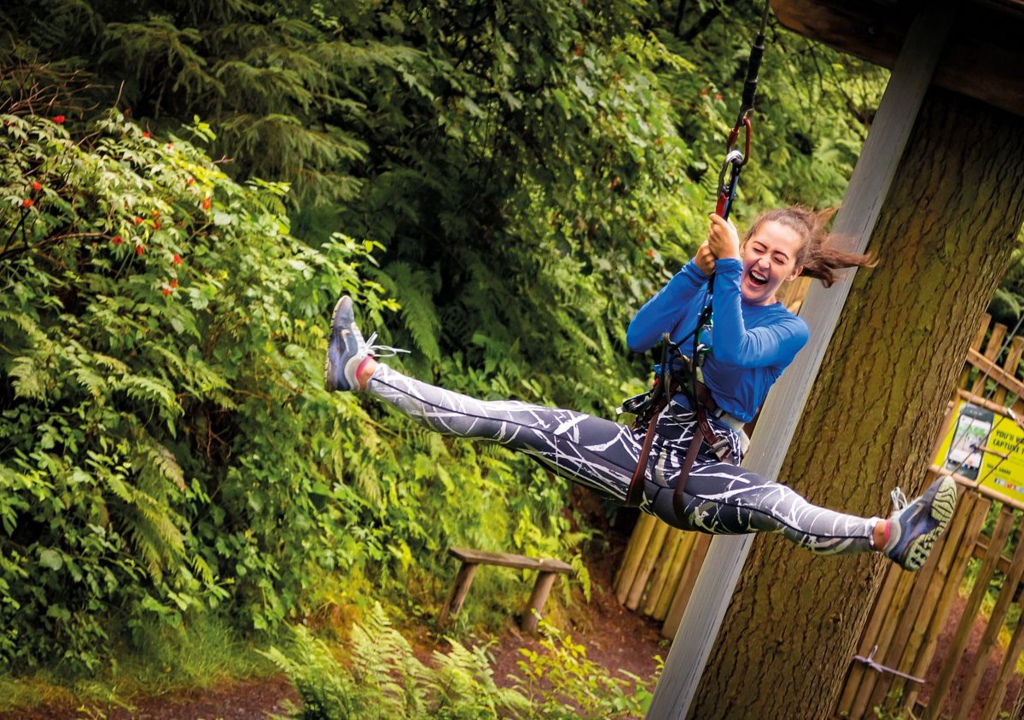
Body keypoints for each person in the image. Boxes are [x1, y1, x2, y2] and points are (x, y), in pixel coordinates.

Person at [325, 208, 957, 571]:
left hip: (702, 476)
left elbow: (732, 354)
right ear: (745, 247)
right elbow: (638, 335)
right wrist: (694, 273)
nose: (763, 263)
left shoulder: (787, 328)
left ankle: (887, 533)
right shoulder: (708, 288)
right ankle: (361, 373)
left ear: (793, 273)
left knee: (776, 503)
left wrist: (727, 268)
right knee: (512, 419)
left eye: (778, 259)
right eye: (757, 249)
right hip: (636, 454)